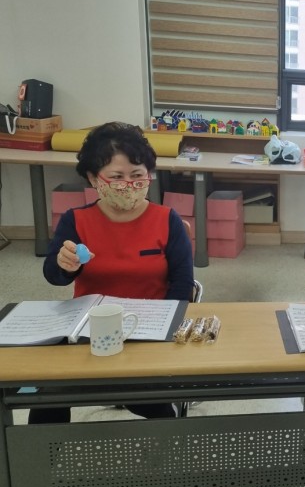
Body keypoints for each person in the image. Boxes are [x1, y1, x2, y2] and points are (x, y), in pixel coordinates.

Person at [34, 121, 194, 423]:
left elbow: (183, 283)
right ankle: (43, 454)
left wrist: (157, 332)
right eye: (117, 177)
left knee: (154, 408)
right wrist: (64, 264)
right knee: (46, 397)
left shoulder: (167, 220)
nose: (128, 185)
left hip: (146, 333)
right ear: (94, 178)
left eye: (137, 175)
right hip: (88, 333)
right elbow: (53, 276)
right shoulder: (76, 220)